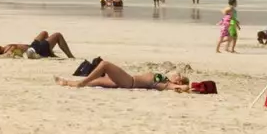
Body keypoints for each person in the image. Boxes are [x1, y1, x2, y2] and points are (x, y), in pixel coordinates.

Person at [57, 60, 194, 91]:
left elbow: (181, 88)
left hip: (130, 82)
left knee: (105, 65)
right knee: (97, 81)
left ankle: (80, 83)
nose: (177, 74)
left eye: (179, 76)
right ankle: (69, 83)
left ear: (179, 82)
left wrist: (185, 86)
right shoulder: (165, 79)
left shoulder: (166, 83)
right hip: (128, 80)